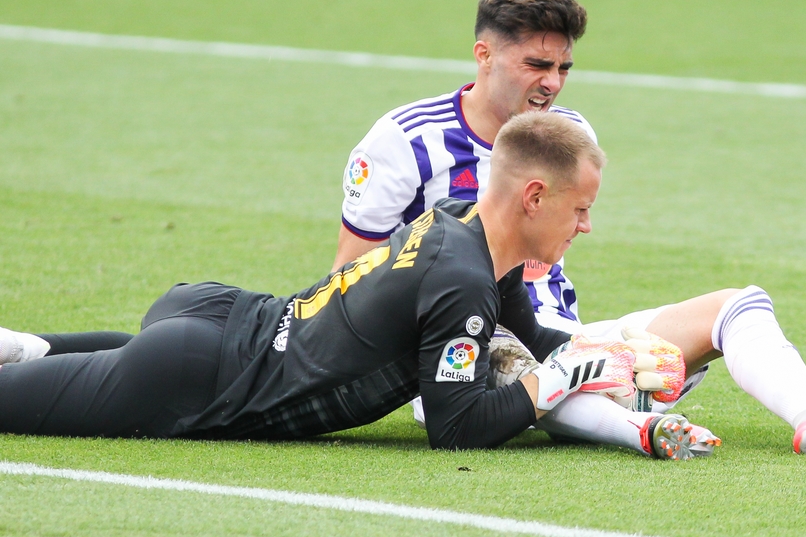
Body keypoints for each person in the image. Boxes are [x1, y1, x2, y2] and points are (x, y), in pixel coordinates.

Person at [326, 0, 806, 457]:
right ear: (484, 55)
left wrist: (605, 348)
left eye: (564, 67)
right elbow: (350, 280)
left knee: (738, 304)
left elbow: (550, 270)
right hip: (464, 357)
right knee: (552, 365)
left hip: (561, 335)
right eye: (536, 65)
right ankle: (639, 426)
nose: (553, 83)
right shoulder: (403, 142)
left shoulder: (568, 134)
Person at [0, 113, 705, 453]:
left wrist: (608, 352)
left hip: (218, 319)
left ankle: (27, 347)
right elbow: (457, 428)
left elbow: (532, 330)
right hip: (195, 376)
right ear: (534, 199)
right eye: (580, 209)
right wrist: (560, 381)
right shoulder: (463, 282)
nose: (585, 226)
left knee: (77, 369)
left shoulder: (463, 225)